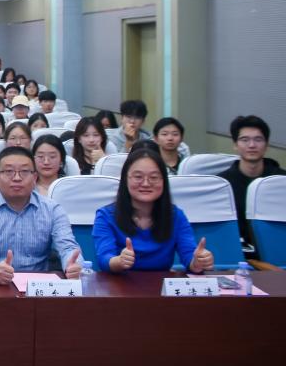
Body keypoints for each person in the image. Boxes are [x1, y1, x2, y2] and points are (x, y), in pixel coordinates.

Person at [0, 146, 83, 285]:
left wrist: (72, 266)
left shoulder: (53, 210)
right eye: (9, 171)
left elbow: (68, 247)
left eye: (25, 172)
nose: (17, 178)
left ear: (35, 177)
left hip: (40, 286)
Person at [93, 142, 215, 273]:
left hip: (161, 284)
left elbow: (189, 255)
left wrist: (197, 262)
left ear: (164, 181)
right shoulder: (106, 215)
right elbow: (104, 259)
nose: (146, 183)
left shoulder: (175, 216)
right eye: (138, 177)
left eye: (154, 177)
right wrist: (119, 261)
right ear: (125, 179)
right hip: (119, 284)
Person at [218, 115, 284, 254]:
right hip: (236, 253)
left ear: (266, 145)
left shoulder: (281, 181)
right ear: (235, 144)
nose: (252, 145)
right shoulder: (222, 184)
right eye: (244, 140)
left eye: (258, 139)